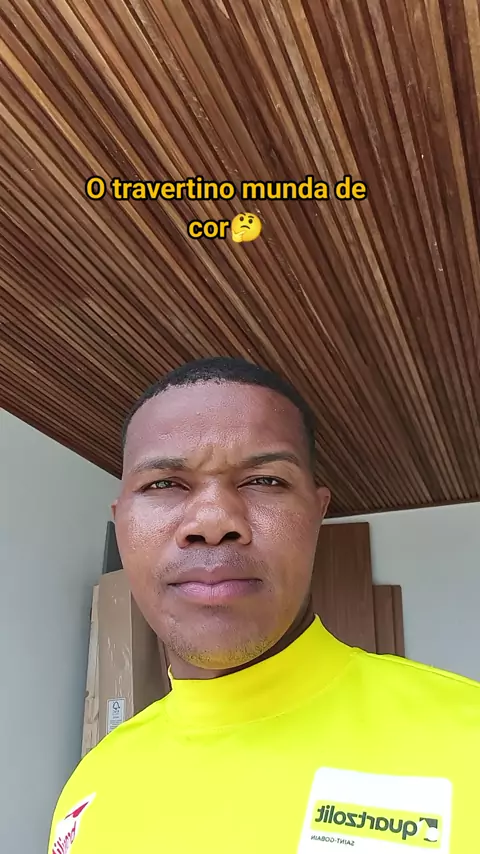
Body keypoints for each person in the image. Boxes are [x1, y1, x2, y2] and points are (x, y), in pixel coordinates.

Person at [48, 356, 479, 854]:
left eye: (265, 480)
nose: (213, 522)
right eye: (163, 484)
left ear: (317, 514)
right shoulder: (89, 789)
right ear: (121, 523)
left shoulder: (467, 739)